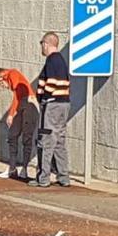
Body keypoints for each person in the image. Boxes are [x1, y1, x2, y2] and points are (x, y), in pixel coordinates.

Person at [0, 66, 39, 180]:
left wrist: (11, 113)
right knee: (12, 135)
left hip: (29, 104)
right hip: (22, 104)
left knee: (27, 137)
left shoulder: (12, 74)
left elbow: (17, 95)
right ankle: (12, 168)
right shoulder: (7, 78)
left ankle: (24, 168)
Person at [30, 32, 71, 188]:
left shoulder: (51, 60)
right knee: (59, 140)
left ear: (46, 44)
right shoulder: (61, 60)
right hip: (64, 104)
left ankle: (43, 177)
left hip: (52, 105)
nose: (41, 47)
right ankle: (63, 176)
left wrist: (44, 99)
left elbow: (51, 84)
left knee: (46, 140)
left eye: (42, 44)